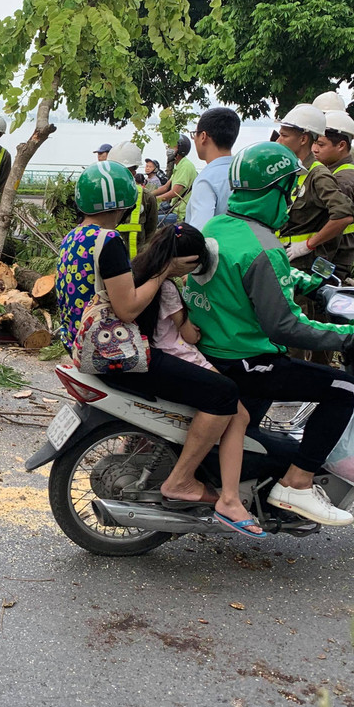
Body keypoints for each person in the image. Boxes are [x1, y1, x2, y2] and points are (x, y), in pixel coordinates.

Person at [183, 142, 354, 525]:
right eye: (288, 191)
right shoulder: (264, 247)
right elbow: (286, 326)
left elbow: (269, 278)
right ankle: (297, 482)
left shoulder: (219, 226)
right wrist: (351, 335)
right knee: (344, 390)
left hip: (212, 350)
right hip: (246, 359)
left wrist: (313, 284)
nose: (289, 202)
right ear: (274, 191)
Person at [55, 161, 243, 511]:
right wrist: (164, 271)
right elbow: (127, 309)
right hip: (117, 354)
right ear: (127, 203)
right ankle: (183, 479)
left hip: (83, 350)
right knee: (224, 393)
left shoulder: (73, 238)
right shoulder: (108, 241)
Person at [131, 223, 261, 536]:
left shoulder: (137, 269)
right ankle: (195, 483)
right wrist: (195, 328)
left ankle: (223, 490)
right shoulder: (167, 288)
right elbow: (188, 335)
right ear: (185, 261)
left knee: (235, 411)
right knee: (233, 405)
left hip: (149, 354)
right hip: (175, 357)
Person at [275, 104, 354, 271]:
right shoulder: (292, 169)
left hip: (305, 265)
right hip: (285, 259)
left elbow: (344, 215)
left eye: (284, 136)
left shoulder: (319, 175)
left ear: (303, 139)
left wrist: (308, 245)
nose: (278, 141)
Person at [312, 110, 354, 280]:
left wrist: (308, 249)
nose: (314, 149)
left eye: (321, 145)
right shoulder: (332, 169)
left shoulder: (343, 179)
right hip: (336, 253)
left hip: (333, 256)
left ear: (341, 145)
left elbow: (334, 225)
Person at [185, 107, 239, 230]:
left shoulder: (207, 180)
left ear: (203, 136)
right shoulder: (244, 172)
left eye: (195, 134)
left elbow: (200, 233)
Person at [107, 141, 157, 255]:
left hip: (136, 266)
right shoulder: (101, 195)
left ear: (133, 172)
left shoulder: (147, 198)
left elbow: (150, 234)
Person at [153, 135, 197, 225]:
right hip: (174, 209)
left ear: (181, 149)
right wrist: (147, 195)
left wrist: (155, 200)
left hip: (181, 215)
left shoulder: (185, 166)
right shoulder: (179, 165)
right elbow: (165, 187)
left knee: (151, 221)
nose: (169, 149)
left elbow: (174, 192)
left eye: (172, 146)